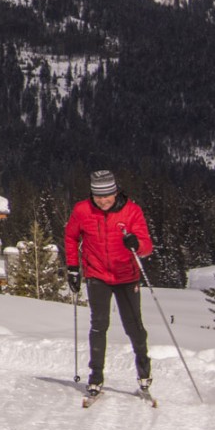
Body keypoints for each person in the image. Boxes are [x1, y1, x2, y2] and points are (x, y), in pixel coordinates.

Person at [63, 169, 152, 397]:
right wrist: (73, 268)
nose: (102, 201)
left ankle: (144, 373)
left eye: (107, 196)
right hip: (97, 275)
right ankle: (95, 377)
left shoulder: (132, 211)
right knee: (99, 325)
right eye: (98, 196)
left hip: (127, 276)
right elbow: (71, 237)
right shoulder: (82, 210)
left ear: (115, 192)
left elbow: (146, 246)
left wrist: (136, 243)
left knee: (134, 327)